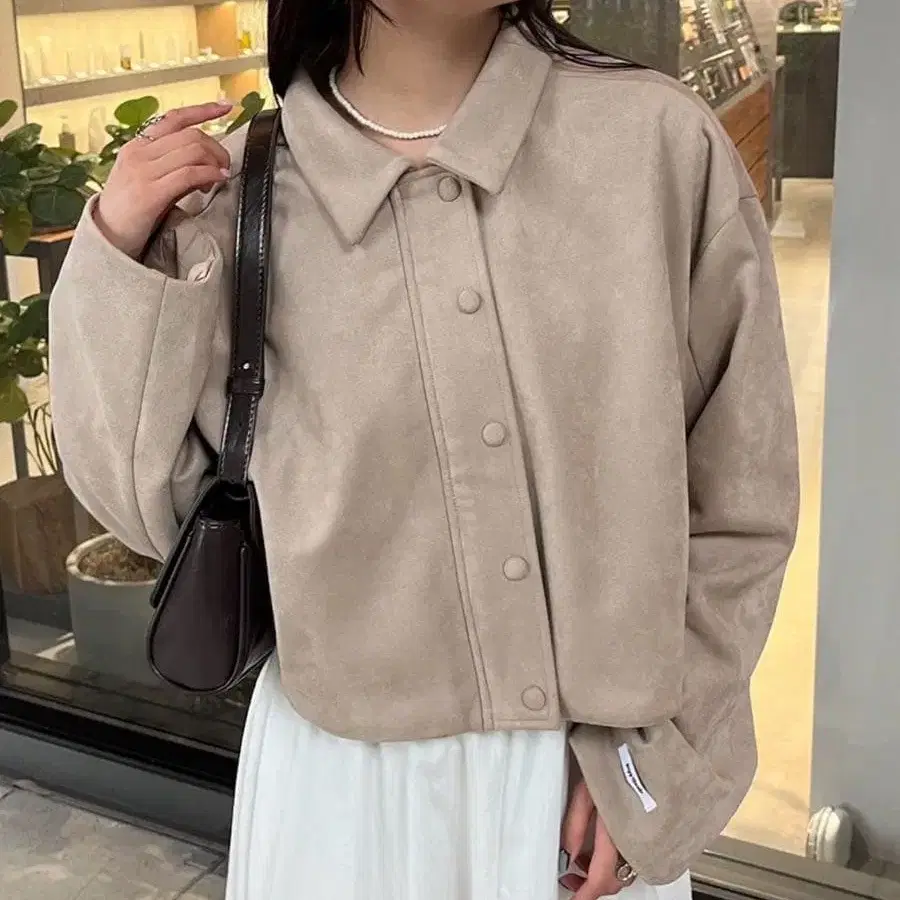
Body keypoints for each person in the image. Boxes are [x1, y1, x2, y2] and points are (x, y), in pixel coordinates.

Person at [48, 2, 800, 899]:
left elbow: (744, 497)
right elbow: (148, 508)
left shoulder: (653, 145)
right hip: (340, 798)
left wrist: (659, 763)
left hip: (590, 788)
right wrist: (116, 256)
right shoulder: (236, 200)